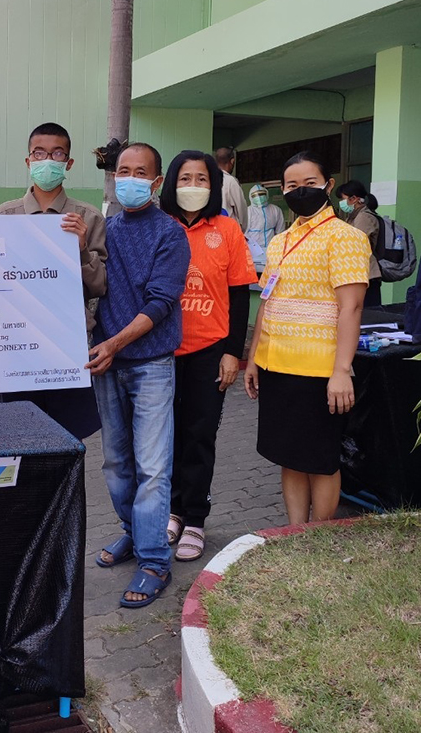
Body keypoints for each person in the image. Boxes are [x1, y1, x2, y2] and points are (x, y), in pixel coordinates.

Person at [88, 142, 190, 608]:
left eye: (139, 172)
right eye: (122, 171)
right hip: (107, 364)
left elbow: (161, 302)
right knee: (116, 464)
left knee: (152, 467)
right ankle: (134, 531)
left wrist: (113, 344)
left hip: (149, 364)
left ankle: (154, 561)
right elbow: (88, 284)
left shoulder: (171, 234)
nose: (128, 179)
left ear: (156, 181)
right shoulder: (105, 229)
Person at [243, 151, 370, 525]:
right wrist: (254, 358)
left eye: (310, 183)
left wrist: (341, 370)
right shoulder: (279, 242)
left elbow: (351, 308)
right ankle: (295, 532)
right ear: (282, 191)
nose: (300, 190)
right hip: (276, 365)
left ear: (328, 186)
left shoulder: (345, 238)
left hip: (319, 371)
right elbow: (267, 302)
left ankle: (318, 535)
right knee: (290, 456)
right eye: (292, 185)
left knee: (320, 460)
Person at [160, 150, 257, 561]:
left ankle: (195, 519)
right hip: (161, 351)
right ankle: (172, 510)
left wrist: (233, 353)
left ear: (214, 185)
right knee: (165, 437)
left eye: (202, 179)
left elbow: (240, 295)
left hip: (209, 350)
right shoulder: (158, 224)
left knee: (200, 436)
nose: (193, 186)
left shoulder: (227, 229)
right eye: (185, 178)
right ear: (171, 182)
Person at [0, 122, 107, 439]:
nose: (47, 161)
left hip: (67, 346)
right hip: (16, 344)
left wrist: (81, 249)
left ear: (68, 163)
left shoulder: (87, 218)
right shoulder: (3, 217)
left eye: (57, 154)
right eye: (39, 153)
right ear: (28, 161)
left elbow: (99, 285)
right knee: (19, 437)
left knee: (67, 440)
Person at [336, 180, 382, 307]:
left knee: (367, 313)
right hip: (357, 274)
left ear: (354, 199)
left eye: (343, 199)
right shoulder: (353, 216)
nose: (342, 202)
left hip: (367, 275)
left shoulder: (364, 217)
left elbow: (354, 243)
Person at [245, 183, 285, 270]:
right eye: (255, 195)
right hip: (253, 251)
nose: (259, 197)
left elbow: (280, 232)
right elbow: (244, 233)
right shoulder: (248, 212)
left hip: (271, 249)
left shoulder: (275, 210)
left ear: (267, 194)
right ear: (251, 197)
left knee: (270, 272)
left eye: (262, 194)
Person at [214, 146, 248, 231]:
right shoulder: (231, 181)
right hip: (228, 230)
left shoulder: (207, 179)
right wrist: (242, 229)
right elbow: (241, 209)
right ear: (232, 161)